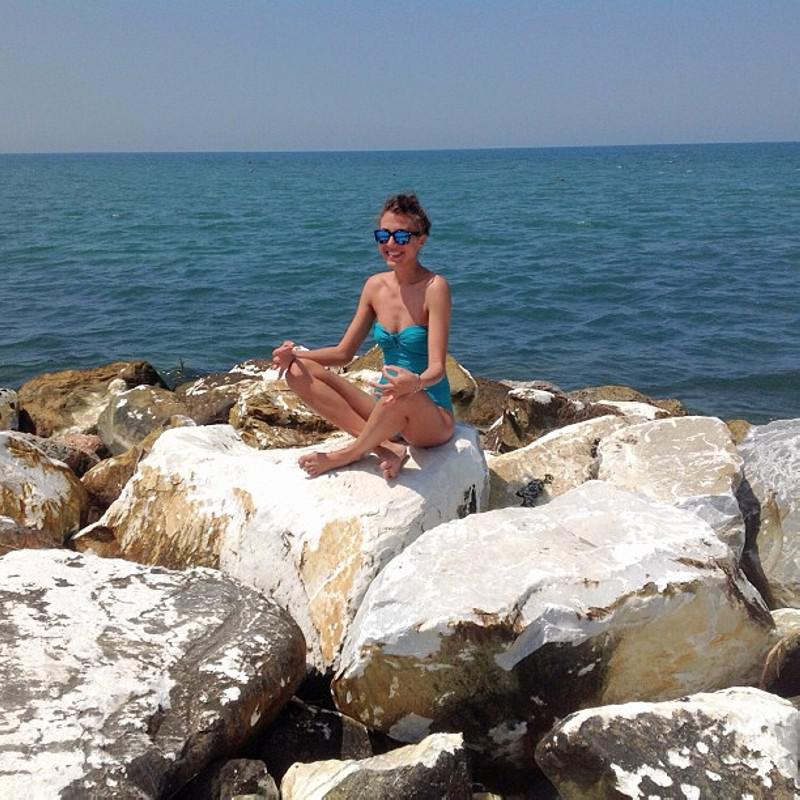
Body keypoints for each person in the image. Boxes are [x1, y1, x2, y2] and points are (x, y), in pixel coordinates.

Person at [272, 193, 454, 479]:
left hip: (428, 414)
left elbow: (437, 369)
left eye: (401, 236)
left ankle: (346, 454)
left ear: (421, 240)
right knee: (298, 371)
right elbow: (343, 353)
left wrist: (415, 383)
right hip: (385, 406)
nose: (390, 244)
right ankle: (386, 448)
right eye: (383, 235)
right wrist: (293, 355)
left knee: (401, 396)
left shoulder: (435, 287)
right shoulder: (374, 286)